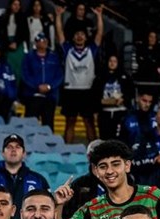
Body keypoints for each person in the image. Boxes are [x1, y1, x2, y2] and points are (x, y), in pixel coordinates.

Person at [62, 140, 160, 219]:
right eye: (103, 166)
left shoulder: (153, 195)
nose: (109, 171)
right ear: (96, 171)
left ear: (127, 166)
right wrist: (58, 205)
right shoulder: (91, 208)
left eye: (115, 164)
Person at [55, 3, 104, 143]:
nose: (79, 36)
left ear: (86, 37)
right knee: (70, 122)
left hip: (87, 91)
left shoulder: (91, 50)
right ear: (73, 37)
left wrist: (99, 16)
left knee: (89, 122)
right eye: (77, 34)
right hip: (70, 91)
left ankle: (94, 153)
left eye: (82, 34)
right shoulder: (67, 49)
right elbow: (59, 33)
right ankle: (66, 153)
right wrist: (58, 16)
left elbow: (99, 33)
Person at [0, 134, 50, 212]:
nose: (13, 150)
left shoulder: (39, 180)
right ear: (2, 153)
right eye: (9, 147)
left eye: (18, 147)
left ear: (24, 153)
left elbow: (48, 208)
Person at [20, 32, 63, 130]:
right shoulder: (28, 57)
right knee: (30, 125)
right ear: (36, 43)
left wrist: (49, 86)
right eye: (41, 40)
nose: (43, 42)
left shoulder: (54, 57)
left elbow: (59, 75)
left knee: (48, 125)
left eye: (45, 40)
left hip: (50, 96)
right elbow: (25, 74)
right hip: (32, 96)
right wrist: (36, 86)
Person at [95, 54, 134, 141]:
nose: (112, 63)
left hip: (120, 112)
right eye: (110, 61)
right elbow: (94, 94)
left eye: (115, 61)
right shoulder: (100, 76)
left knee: (119, 138)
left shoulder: (125, 76)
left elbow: (130, 91)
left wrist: (123, 99)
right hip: (105, 113)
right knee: (105, 138)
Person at [0, 0, 28, 80]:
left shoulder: (23, 18)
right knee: (8, 68)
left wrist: (16, 42)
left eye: (18, 5)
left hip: (18, 45)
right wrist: (7, 44)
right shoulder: (3, 17)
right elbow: (0, 34)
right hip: (6, 45)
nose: (17, 6)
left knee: (19, 68)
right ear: (10, 5)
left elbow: (25, 33)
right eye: (15, 4)